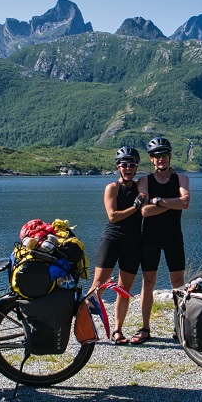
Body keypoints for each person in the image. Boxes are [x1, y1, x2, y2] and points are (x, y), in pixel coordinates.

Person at [131, 136, 190, 344]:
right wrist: (171, 204)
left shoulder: (181, 179)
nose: (161, 158)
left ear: (170, 156)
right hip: (150, 237)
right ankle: (145, 328)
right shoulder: (144, 181)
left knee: (178, 283)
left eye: (164, 154)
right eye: (157, 155)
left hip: (174, 236)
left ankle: (180, 326)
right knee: (148, 282)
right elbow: (145, 211)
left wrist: (159, 201)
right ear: (151, 158)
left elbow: (185, 202)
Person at [87, 146, 145, 345]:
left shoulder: (140, 187)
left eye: (132, 164)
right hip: (112, 240)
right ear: (118, 167)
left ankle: (117, 330)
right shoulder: (112, 188)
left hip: (134, 242)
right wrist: (135, 207)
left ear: (137, 167)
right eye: (124, 164)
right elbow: (113, 216)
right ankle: (82, 325)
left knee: (124, 289)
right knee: (98, 286)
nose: (128, 168)